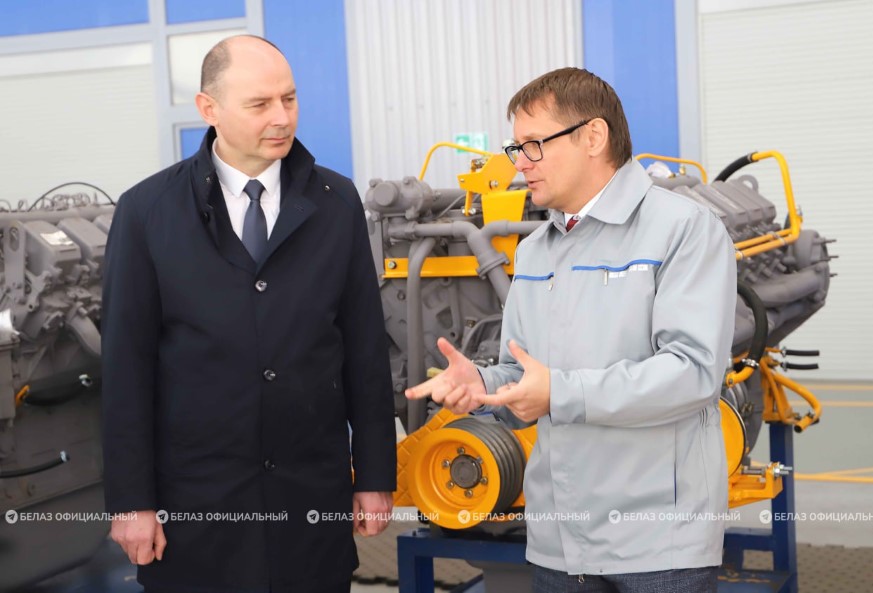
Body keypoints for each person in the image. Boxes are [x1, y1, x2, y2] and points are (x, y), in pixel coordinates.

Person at [407, 67, 736, 593]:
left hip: (657, 544)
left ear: (593, 136)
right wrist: (484, 386)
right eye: (516, 148)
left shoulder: (683, 229)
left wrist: (560, 392)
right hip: (559, 542)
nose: (520, 164)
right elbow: (526, 371)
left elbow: (692, 373)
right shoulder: (537, 250)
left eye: (533, 145)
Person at [102, 35, 396, 593]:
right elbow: (125, 369)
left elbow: (364, 350)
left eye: (289, 98)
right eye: (260, 104)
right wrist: (131, 501)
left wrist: (375, 475)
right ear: (208, 109)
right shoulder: (148, 212)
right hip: (196, 507)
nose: (281, 117)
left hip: (311, 503)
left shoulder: (336, 203)